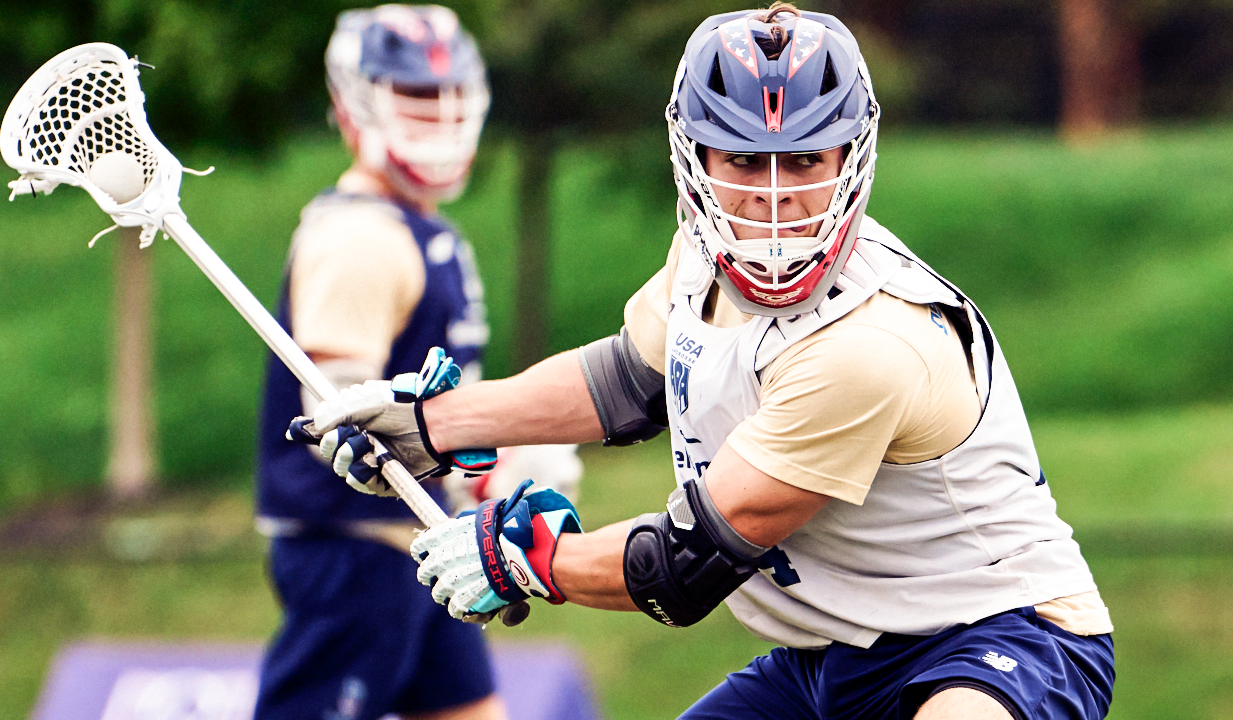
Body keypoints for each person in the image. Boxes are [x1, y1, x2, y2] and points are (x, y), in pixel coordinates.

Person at [300, 4, 1115, 719]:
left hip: (998, 639)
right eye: (741, 161)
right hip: (833, 656)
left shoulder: (871, 345)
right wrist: (432, 423)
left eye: (801, 160)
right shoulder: (698, 255)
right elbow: (625, 381)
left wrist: (525, 559)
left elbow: (687, 564)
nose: (771, 199)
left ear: (850, 159)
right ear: (694, 158)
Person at [253, 6, 506, 720]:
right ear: (353, 103)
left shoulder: (423, 228)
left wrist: (493, 470)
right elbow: (339, 413)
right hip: (357, 551)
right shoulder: (358, 236)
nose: (439, 118)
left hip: (424, 544)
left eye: (449, 97)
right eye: (417, 98)